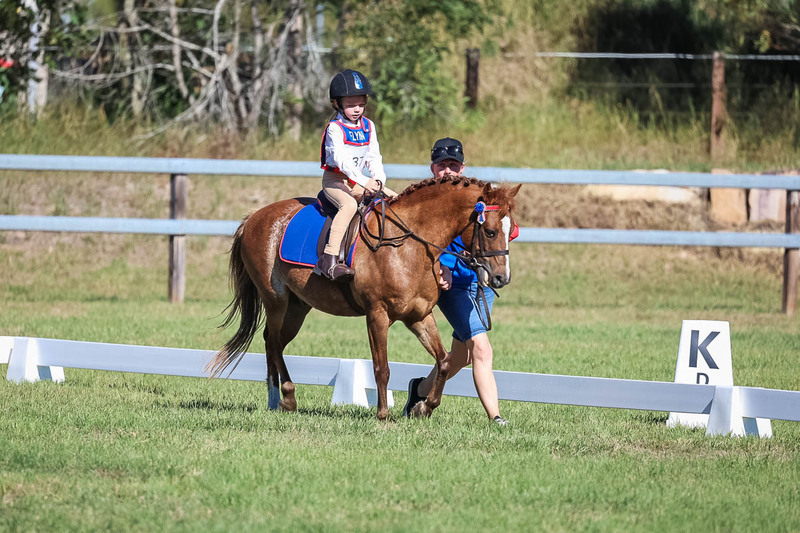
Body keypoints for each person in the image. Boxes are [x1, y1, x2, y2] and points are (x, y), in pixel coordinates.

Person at [402, 137, 511, 425]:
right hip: (451, 286)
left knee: (462, 357)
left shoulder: (474, 198)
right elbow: (423, 244)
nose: (448, 171)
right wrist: (445, 265)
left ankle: (420, 390)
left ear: (462, 167)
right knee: (482, 349)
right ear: (432, 168)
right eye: (442, 165)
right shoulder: (425, 202)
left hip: (480, 282)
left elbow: (498, 227)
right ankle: (496, 419)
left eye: (453, 164)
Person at [317, 68, 397, 282]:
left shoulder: (369, 126)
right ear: (337, 104)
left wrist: (379, 179)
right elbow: (343, 163)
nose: (357, 109)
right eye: (351, 105)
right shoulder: (335, 128)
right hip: (336, 182)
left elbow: (373, 156)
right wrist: (365, 181)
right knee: (349, 206)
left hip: (361, 181)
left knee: (396, 200)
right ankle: (330, 258)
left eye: (361, 104)